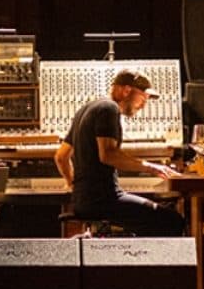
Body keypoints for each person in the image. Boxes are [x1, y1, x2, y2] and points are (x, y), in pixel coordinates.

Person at [52, 70, 186, 236]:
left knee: (154, 216)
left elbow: (60, 156)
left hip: (83, 202)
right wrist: (152, 167)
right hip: (104, 201)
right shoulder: (109, 109)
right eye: (143, 98)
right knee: (172, 221)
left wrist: (73, 185)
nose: (143, 105)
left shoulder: (86, 109)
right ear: (127, 90)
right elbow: (108, 154)